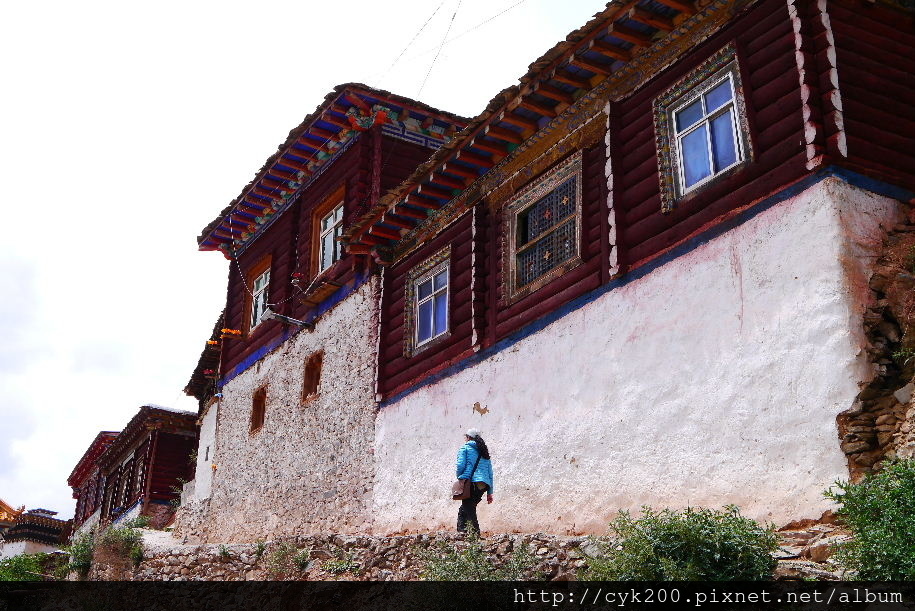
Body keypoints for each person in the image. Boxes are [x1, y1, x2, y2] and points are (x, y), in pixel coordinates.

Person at [455, 428, 494, 534]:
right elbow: (490, 473)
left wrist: (461, 477)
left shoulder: (465, 448)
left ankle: (475, 533)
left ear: (468, 437)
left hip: (472, 482)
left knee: (469, 508)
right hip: (484, 485)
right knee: (466, 508)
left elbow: (460, 465)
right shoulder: (484, 452)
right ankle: (462, 532)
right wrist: (490, 492)